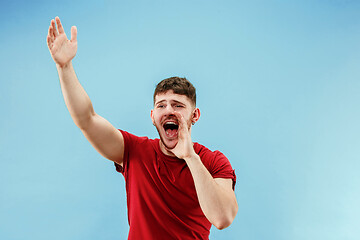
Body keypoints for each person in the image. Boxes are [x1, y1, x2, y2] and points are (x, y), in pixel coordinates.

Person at [47, 16, 238, 240]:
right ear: (152, 116)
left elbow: (223, 218)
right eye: (161, 105)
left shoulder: (213, 161)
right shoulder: (134, 151)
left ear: (194, 115)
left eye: (178, 106)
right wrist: (65, 66)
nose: (169, 111)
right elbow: (86, 119)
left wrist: (190, 157)